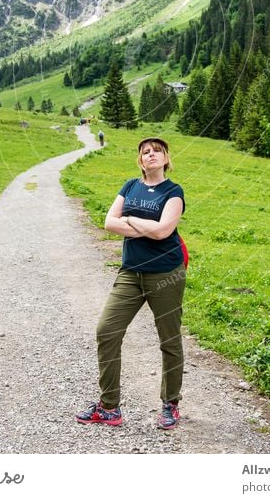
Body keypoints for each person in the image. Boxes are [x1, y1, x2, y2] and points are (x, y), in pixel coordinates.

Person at [76, 137, 186, 430]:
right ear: (140, 160)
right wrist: (144, 225)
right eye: (145, 152)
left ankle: (170, 404)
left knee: (169, 339)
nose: (151, 155)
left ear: (165, 158)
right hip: (130, 273)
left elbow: (164, 232)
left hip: (165, 274)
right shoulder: (129, 186)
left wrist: (131, 218)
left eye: (157, 151)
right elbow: (109, 223)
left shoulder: (173, 192)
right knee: (107, 331)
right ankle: (109, 407)